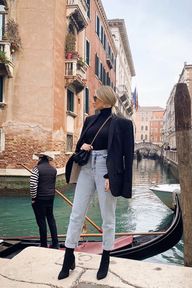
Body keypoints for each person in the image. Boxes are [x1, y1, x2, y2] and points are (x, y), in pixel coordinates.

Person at [58, 86, 134, 281]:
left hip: (106, 170)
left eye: (95, 98)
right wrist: (82, 146)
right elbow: (80, 144)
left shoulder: (123, 124)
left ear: (106, 100)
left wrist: (112, 176)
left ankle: (106, 257)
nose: (92, 100)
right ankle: (68, 257)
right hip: (86, 167)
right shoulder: (89, 120)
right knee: (76, 213)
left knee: (107, 216)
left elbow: (126, 156)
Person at [29, 152, 59, 249]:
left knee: (41, 221)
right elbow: (53, 184)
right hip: (50, 198)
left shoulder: (36, 169)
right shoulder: (54, 170)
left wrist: (33, 198)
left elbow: (33, 185)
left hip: (40, 199)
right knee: (51, 219)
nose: (38, 160)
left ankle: (43, 245)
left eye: (39, 158)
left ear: (41, 158)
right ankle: (55, 244)